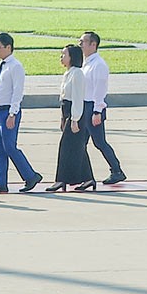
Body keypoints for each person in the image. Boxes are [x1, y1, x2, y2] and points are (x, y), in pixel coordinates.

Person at [0, 33, 43, 193]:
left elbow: (17, 92)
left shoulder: (16, 66)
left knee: (9, 147)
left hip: (8, 111)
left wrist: (13, 113)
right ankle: (0, 181)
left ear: (8, 47)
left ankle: (30, 175)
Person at [79, 31, 127, 185]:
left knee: (99, 142)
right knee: (81, 143)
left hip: (93, 107)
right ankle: (83, 174)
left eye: (83, 42)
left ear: (93, 44)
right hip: (85, 106)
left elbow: (100, 90)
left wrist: (97, 111)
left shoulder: (98, 65)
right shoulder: (86, 63)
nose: (80, 45)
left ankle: (117, 170)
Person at [46, 45, 96, 192]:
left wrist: (75, 119)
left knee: (66, 147)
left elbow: (77, 98)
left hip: (76, 113)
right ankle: (88, 179)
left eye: (64, 54)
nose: (61, 57)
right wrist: (63, 118)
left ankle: (61, 180)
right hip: (68, 112)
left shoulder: (78, 74)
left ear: (72, 57)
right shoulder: (68, 73)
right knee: (78, 147)